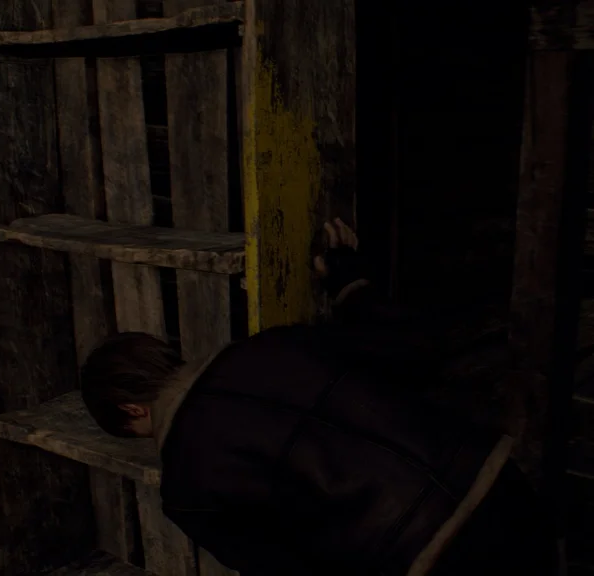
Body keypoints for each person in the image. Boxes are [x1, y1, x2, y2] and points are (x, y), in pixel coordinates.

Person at [80, 219, 559, 575]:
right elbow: (414, 349)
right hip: (498, 487)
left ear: (131, 410)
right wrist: (350, 284)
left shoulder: (186, 488)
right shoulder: (272, 346)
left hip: (426, 557)